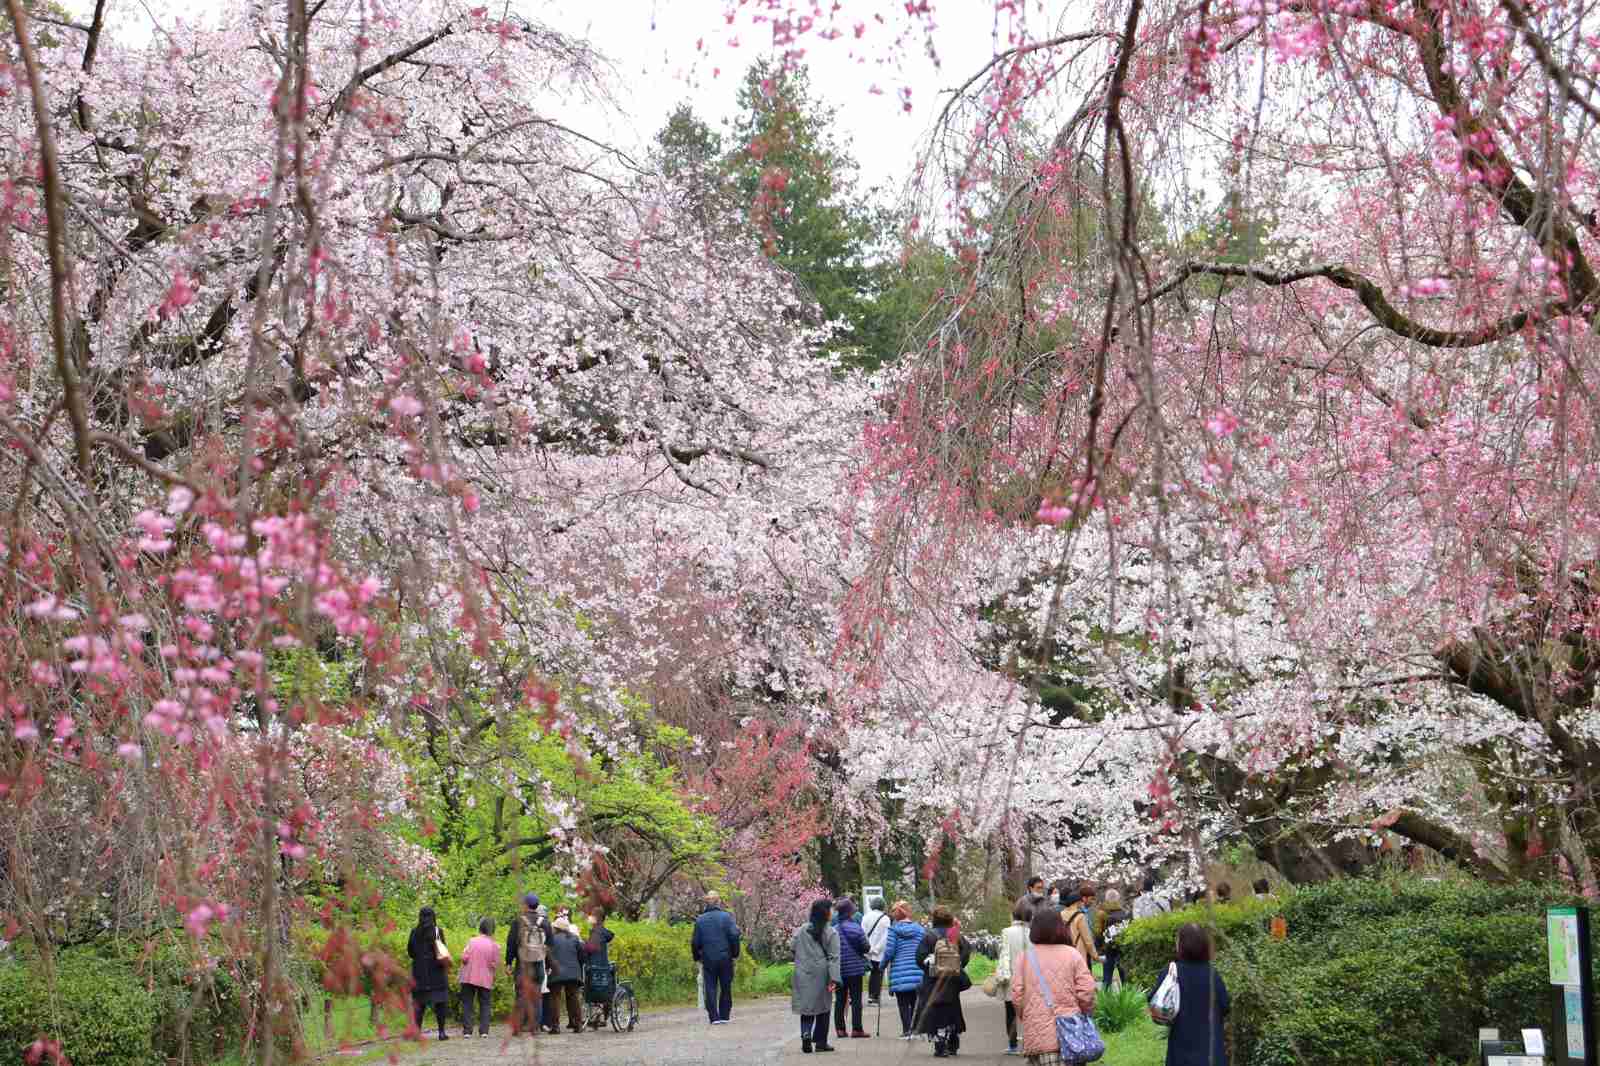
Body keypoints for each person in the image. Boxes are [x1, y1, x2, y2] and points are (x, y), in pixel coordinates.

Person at [1011, 907, 1097, 1066]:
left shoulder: (1024, 958)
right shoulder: (1073, 954)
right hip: (1071, 1035)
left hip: (1037, 1038)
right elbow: (1087, 991)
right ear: (1060, 928)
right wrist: (1084, 1011)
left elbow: (1017, 996)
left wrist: (1029, 1016)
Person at [1151, 923, 1231, 1066]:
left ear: (1181, 945)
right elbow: (1225, 1006)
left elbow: (1155, 1003)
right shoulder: (1213, 975)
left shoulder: (1171, 973)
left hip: (1181, 1051)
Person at [914, 904, 972, 1058]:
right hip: (952, 979)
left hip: (933, 979)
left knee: (936, 1011)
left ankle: (939, 1043)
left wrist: (929, 969)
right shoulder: (956, 935)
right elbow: (966, 953)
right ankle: (953, 1042)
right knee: (952, 1009)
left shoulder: (929, 936)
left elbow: (919, 958)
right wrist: (957, 966)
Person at [791, 898, 841, 1054]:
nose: (833, 912)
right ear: (826, 913)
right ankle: (820, 1042)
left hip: (802, 970)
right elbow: (834, 957)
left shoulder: (802, 929)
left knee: (807, 1006)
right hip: (822, 972)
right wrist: (835, 978)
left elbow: (792, 947)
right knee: (823, 1006)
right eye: (831, 909)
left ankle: (806, 1034)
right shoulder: (830, 932)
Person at [505, 892, 554, 1036]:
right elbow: (550, 945)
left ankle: (518, 1028)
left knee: (520, 995)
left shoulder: (518, 921)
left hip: (523, 964)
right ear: (537, 905)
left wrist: (508, 963)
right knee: (537, 996)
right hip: (539, 964)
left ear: (525, 905)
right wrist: (549, 965)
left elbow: (511, 944)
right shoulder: (544, 922)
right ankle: (535, 1028)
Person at [690, 890, 741, 1025]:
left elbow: (695, 942)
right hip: (725, 957)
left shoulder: (700, 920)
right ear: (718, 902)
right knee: (725, 986)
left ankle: (714, 1017)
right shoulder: (726, 917)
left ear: (706, 903)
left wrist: (697, 957)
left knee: (710, 986)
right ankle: (724, 1014)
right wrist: (735, 953)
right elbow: (734, 935)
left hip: (708, 958)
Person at [994, 896, 1035, 1056]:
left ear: (1014, 916)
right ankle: (1029, 1044)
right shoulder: (1033, 933)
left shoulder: (1007, 932)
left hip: (1011, 977)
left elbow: (1004, 954)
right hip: (1029, 978)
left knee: (1010, 1013)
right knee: (1029, 1013)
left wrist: (1001, 972)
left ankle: (1012, 1045)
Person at [883, 901, 927, 1039]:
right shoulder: (920, 929)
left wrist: (881, 965)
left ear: (897, 914)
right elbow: (924, 949)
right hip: (917, 970)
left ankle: (906, 1030)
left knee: (903, 1004)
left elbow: (889, 951)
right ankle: (916, 1030)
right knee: (915, 1001)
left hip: (899, 971)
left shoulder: (893, 930)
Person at [406, 906, 451, 1041]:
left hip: (419, 974)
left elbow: (410, 952)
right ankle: (441, 1032)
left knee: (419, 1005)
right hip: (437, 973)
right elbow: (443, 950)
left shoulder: (414, 932)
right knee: (440, 1004)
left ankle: (417, 1034)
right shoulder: (438, 931)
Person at [833, 899, 871, 1039]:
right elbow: (866, 947)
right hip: (855, 969)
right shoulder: (856, 927)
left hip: (839, 969)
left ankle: (840, 1029)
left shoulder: (834, 929)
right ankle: (857, 1029)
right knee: (856, 999)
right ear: (850, 912)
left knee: (840, 1000)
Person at [458, 917, 497, 1038]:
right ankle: (484, 1031)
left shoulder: (472, 941)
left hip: (469, 976)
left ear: (480, 928)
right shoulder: (494, 945)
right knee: (485, 1004)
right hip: (485, 978)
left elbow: (464, 958)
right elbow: (494, 964)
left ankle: (467, 1031)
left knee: (467, 1003)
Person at [547, 914, 585, 1033]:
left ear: (556, 928)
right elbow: (582, 956)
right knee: (573, 997)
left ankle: (555, 1026)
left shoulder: (551, 939)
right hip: (573, 972)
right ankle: (577, 1024)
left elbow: (547, 956)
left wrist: (547, 968)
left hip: (556, 971)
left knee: (555, 998)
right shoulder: (574, 938)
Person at [582, 908, 617, 1029]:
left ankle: (596, 1017)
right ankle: (602, 1017)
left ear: (596, 918)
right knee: (606, 991)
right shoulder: (603, 932)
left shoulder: (596, 932)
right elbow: (609, 937)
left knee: (592, 991)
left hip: (594, 966)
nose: (589, 918)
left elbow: (590, 950)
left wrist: (584, 945)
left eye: (591, 916)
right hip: (604, 967)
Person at [1095, 888, 1129, 990]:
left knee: (1107, 975)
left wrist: (1098, 948)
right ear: (1118, 899)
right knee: (1124, 974)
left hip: (1108, 948)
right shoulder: (1125, 913)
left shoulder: (1102, 913)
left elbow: (1098, 932)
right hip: (1122, 947)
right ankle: (1127, 998)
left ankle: (1105, 1000)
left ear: (1106, 899)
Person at [1063, 882, 1101, 970]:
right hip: (1080, 951)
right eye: (1091, 899)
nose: (1092, 902)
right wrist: (1095, 955)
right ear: (1082, 899)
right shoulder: (1080, 915)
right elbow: (1087, 939)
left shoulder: (1062, 913)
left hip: (1066, 951)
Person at [861, 896, 891, 1006]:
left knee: (870, 973)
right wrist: (877, 949)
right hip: (879, 951)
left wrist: (868, 948)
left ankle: (870, 996)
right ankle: (875, 997)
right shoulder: (885, 918)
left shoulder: (866, 917)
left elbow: (862, 933)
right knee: (878, 974)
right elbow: (885, 937)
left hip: (867, 949)